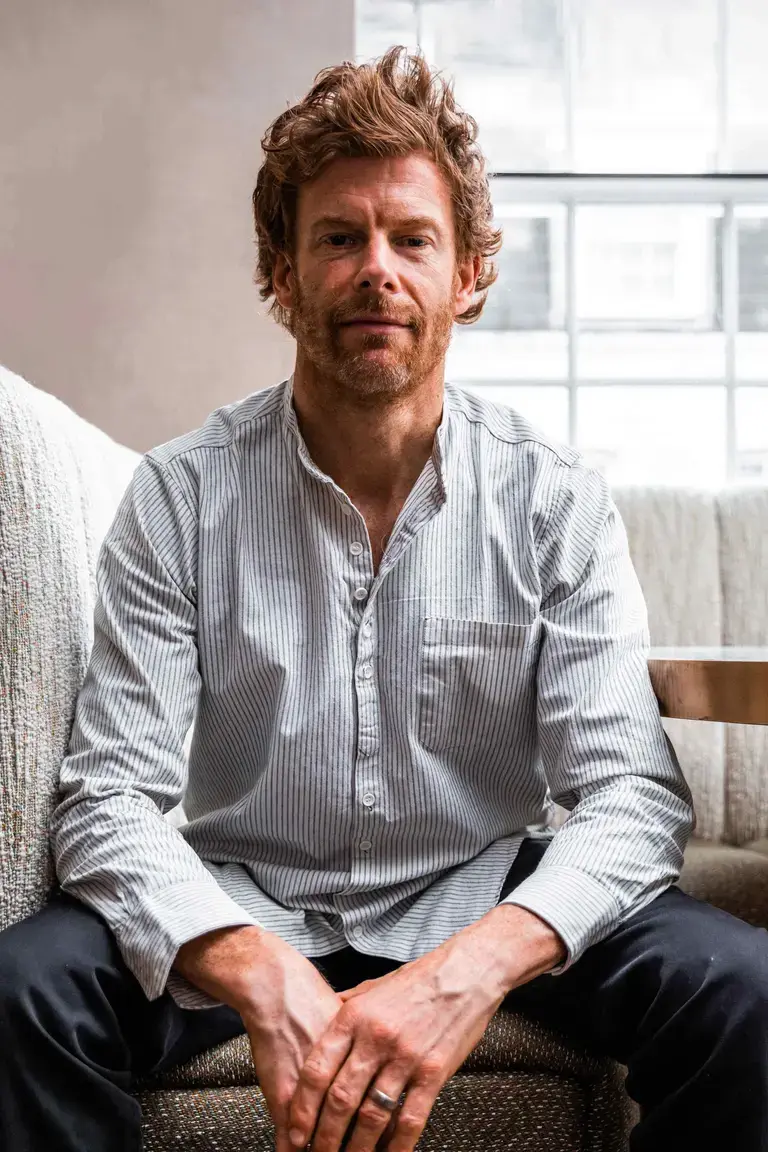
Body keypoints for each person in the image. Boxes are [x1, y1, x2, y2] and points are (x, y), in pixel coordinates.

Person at [1, 46, 766, 1152]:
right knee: (21, 993)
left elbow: (629, 804)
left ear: (466, 274)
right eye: (338, 237)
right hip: (245, 888)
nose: (377, 270)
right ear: (282, 271)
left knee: (742, 989)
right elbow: (108, 799)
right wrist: (252, 969)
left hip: (479, 881)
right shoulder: (181, 494)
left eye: (412, 239)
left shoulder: (554, 503)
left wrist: (465, 973)